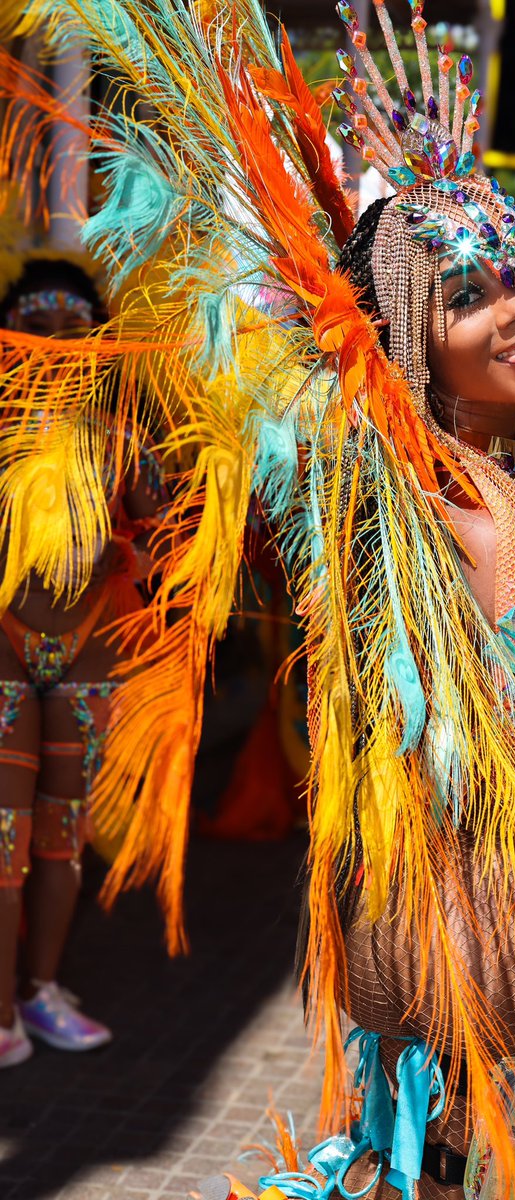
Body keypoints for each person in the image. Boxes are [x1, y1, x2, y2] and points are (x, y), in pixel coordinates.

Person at [0, 3, 515, 1195]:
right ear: (413, 334)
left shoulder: (511, 491)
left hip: (479, 963)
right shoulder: (442, 514)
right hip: (473, 970)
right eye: (472, 297)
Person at [0, 254, 165, 1066]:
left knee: (61, 836)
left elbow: (163, 528)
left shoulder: (121, 438)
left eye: (76, 330)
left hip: (90, 649)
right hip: (4, 647)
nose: (59, 345)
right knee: (3, 836)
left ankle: (40, 993)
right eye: (38, 328)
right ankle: (0, 1019)